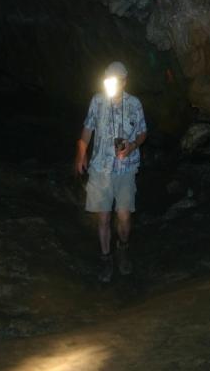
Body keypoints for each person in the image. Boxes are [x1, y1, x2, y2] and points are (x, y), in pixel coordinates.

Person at [74, 61, 147, 282]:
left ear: (124, 81)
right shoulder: (97, 101)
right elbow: (87, 129)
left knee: (124, 216)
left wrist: (132, 145)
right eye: (108, 80)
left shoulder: (134, 104)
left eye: (116, 80)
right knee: (103, 218)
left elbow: (143, 132)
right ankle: (106, 259)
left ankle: (123, 249)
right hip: (99, 168)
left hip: (125, 168)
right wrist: (81, 152)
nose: (111, 84)